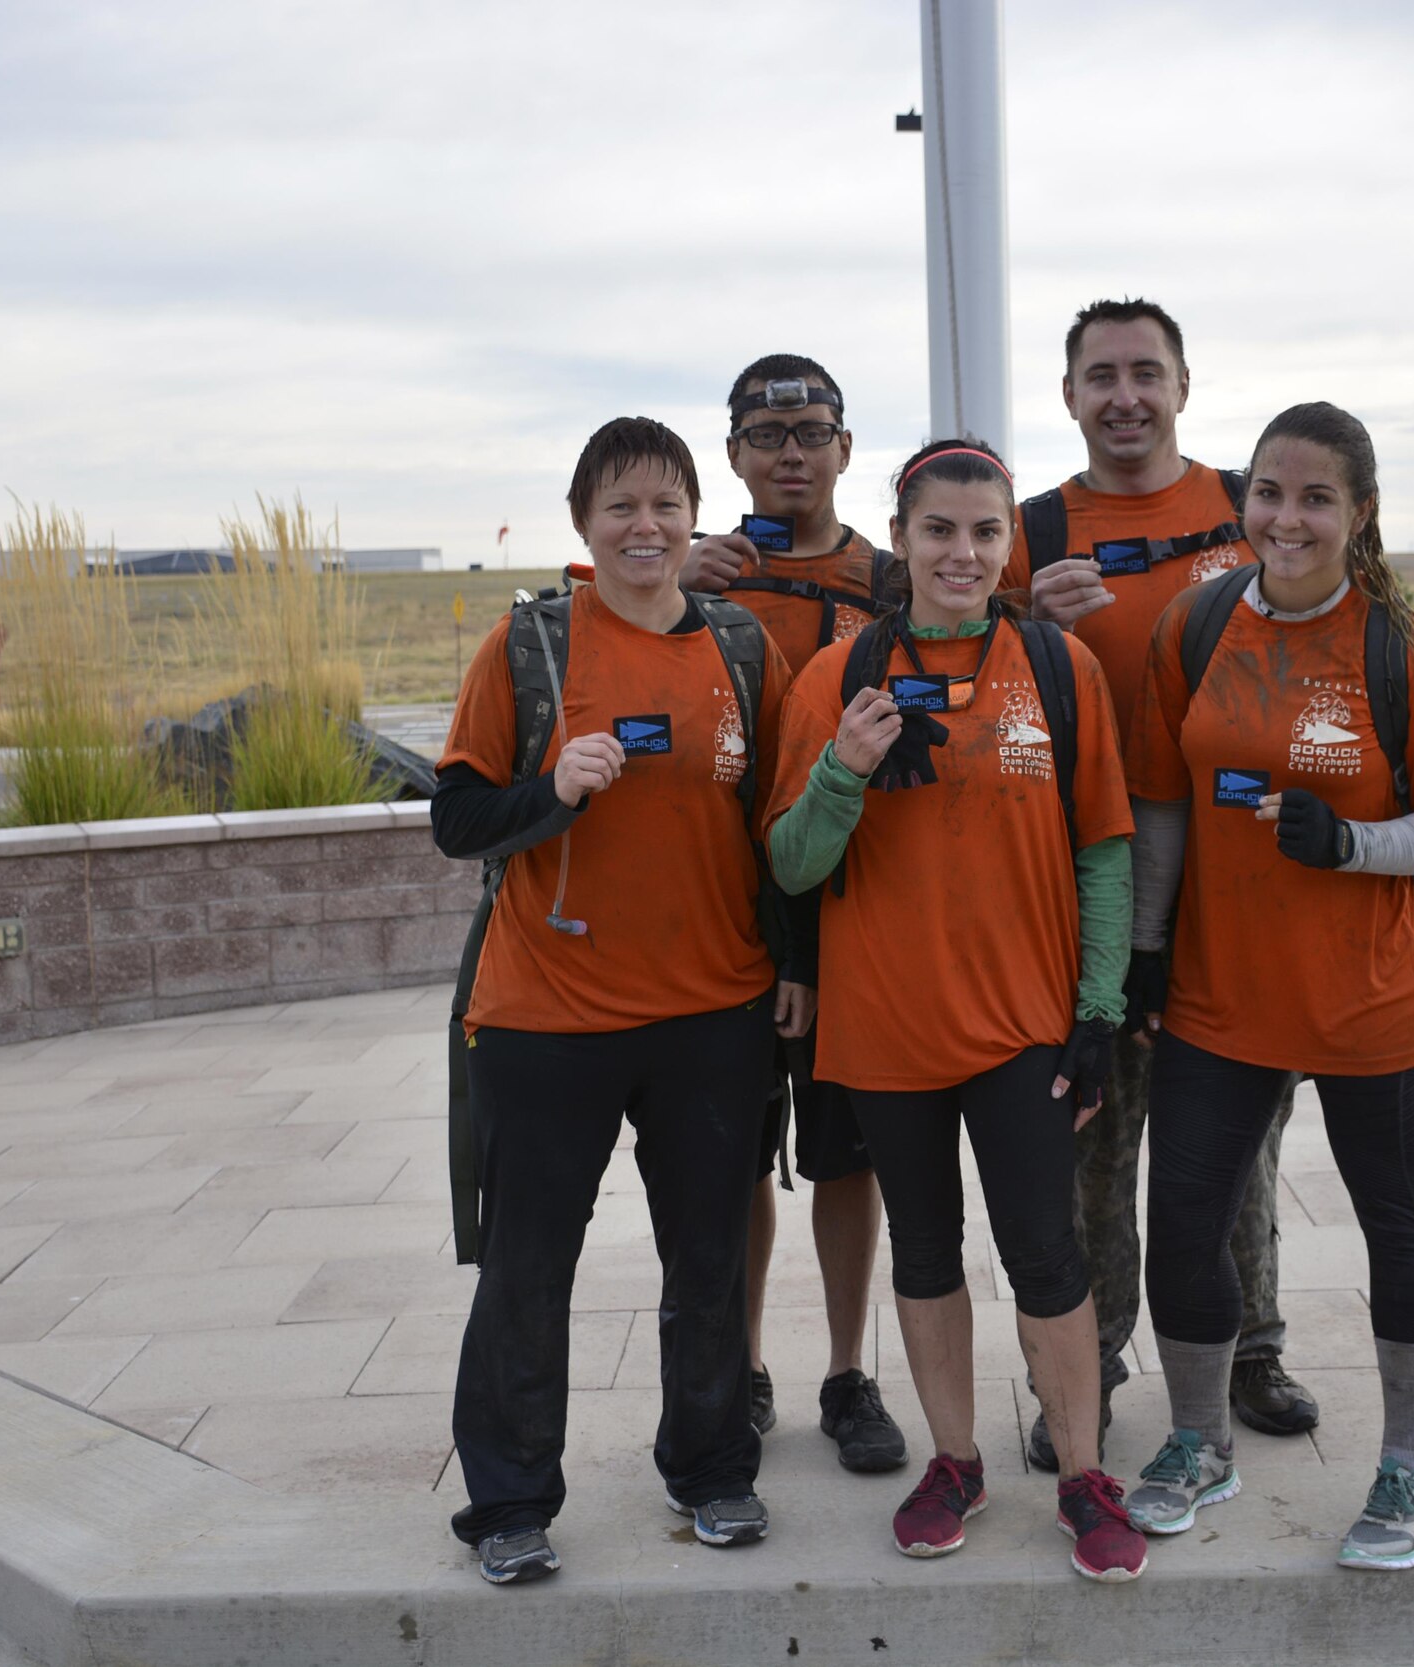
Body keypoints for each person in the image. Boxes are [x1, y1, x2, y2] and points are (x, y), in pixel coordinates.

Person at [1119, 401, 1414, 1570]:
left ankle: (1409, 1470)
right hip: (1220, 997)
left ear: (1358, 513)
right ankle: (1196, 1440)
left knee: (1399, 1226)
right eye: (1270, 494)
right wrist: (1140, 957)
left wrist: (1355, 846)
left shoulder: (1403, 649)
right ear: (1247, 504)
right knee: (1179, 1221)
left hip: (1368, 1001)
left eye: (1316, 497)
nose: (1288, 518)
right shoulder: (1192, 626)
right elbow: (1166, 802)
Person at [764, 437, 1149, 1584]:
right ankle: (954, 1459)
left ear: (1006, 543)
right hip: (885, 1030)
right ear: (900, 539)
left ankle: (1081, 1472)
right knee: (926, 1253)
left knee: (1045, 1250)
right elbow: (787, 863)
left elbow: (1104, 847)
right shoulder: (837, 678)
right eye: (938, 529)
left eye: (985, 531)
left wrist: (1096, 1010)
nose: (962, 551)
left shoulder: (1058, 666)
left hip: (1022, 1025)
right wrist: (841, 767)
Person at [433, 416, 796, 1580]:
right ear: (583, 522)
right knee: (530, 1264)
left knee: (707, 1257)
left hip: (714, 1012)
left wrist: (795, 967)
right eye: (620, 507)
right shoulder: (531, 646)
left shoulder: (739, 649)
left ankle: (712, 1469)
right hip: (546, 1017)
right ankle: (507, 1501)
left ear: (696, 518)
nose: (646, 527)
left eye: (666, 505)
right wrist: (552, 787)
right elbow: (456, 819)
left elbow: (779, 829)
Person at [1006, 298, 1318, 1465]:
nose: (1124, 394)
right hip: (1087, 885)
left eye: (1146, 371)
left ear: (1183, 384)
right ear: (1070, 396)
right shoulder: (1031, 530)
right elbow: (969, 681)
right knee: (1097, 1134)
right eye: (1101, 375)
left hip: (1242, 883)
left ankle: (1249, 1345)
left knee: (1240, 1130)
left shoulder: (1253, 506)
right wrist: (1019, 617)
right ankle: (1088, 1370)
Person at [678, 353, 907, 1473]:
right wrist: (672, 575)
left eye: (811, 431)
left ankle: (844, 1369)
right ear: (731, 455)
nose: (790, 452)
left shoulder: (892, 579)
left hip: (856, 913)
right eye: (766, 436)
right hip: (723, 915)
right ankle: (748, 1364)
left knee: (845, 1158)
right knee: (733, 1161)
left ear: (844, 450)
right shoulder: (688, 580)